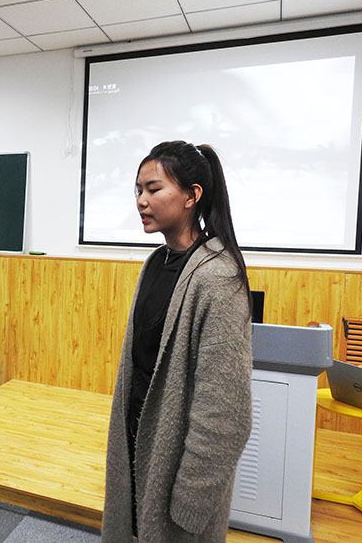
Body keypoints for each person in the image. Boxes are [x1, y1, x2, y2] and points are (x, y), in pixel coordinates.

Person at [101, 141, 253, 542]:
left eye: (154, 189)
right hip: (137, 446)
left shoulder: (217, 277)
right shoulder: (155, 262)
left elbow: (226, 412)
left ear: (191, 196)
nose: (141, 200)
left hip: (177, 474)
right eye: (138, 190)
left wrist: (192, 499)